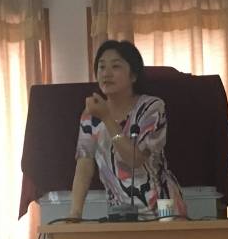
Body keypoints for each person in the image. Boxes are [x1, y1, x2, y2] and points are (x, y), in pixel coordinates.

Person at [69, 40, 187, 220]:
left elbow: (135, 159)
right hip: (121, 213)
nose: (106, 73)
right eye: (101, 67)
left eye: (115, 66)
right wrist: (75, 214)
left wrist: (107, 118)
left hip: (163, 209)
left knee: (168, 238)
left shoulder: (151, 107)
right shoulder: (91, 115)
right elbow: (84, 166)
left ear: (133, 75)